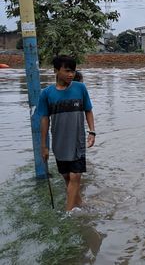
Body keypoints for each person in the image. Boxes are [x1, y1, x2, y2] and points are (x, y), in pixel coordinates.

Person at [37, 55, 95, 211]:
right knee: (67, 177)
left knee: (75, 176)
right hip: (59, 143)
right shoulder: (46, 94)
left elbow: (88, 110)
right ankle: (79, 203)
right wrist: (43, 146)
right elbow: (44, 120)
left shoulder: (80, 88)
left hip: (78, 141)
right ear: (56, 71)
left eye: (73, 71)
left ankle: (67, 213)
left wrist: (92, 131)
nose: (71, 74)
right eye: (67, 71)